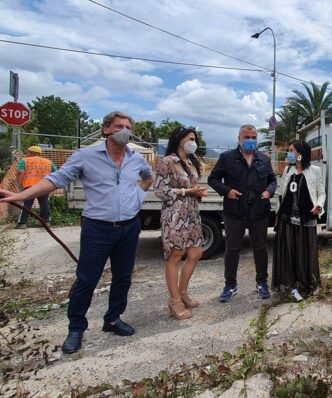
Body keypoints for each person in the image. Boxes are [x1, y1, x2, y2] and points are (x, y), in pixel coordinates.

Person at [0, 111, 153, 354]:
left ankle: (113, 319)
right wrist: (21, 195)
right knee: (87, 279)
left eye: (128, 126)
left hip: (128, 227)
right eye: (119, 126)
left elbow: (147, 177)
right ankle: (76, 328)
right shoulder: (86, 156)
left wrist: (138, 195)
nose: (125, 130)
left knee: (123, 277)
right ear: (106, 130)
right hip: (97, 228)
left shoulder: (136, 158)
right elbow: (56, 178)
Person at [208, 124, 276, 302]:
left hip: (259, 212)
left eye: (254, 137)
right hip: (234, 212)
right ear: (239, 139)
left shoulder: (264, 158)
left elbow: (272, 180)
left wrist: (269, 191)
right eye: (247, 137)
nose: (250, 140)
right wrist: (227, 191)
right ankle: (230, 285)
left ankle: (262, 283)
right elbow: (212, 179)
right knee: (232, 249)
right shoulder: (227, 158)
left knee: (260, 249)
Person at [153, 126, 208, 319]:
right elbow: (159, 191)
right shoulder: (166, 161)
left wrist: (198, 191)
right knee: (175, 255)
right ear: (179, 139)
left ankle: (183, 292)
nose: (193, 142)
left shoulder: (191, 162)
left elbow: (191, 186)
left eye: (194, 138)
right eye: (190, 138)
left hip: (192, 213)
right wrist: (186, 192)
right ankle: (174, 300)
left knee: (196, 252)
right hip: (174, 214)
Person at [272, 140, 325, 301]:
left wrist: (318, 206)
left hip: (307, 219)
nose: (289, 153)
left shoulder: (315, 170)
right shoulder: (288, 169)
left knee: (306, 252)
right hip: (287, 219)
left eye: (291, 150)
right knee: (288, 252)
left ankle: (310, 283)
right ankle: (290, 284)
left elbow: (321, 192)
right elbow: (282, 192)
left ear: (300, 153)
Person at [15, 145, 57, 229]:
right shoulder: (49, 161)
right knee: (44, 203)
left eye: (28, 152)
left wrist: (19, 184)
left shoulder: (24, 161)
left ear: (31, 152)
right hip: (44, 186)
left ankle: (22, 223)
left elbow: (20, 172)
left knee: (27, 203)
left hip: (30, 186)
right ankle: (46, 222)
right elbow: (55, 172)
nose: (27, 154)